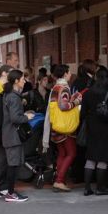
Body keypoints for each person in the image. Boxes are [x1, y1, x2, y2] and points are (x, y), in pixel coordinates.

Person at [0, 69, 33, 202]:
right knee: (13, 165)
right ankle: (11, 193)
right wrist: (27, 117)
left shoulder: (8, 95)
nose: (25, 81)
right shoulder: (13, 97)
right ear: (16, 81)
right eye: (23, 79)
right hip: (13, 136)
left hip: (8, 134)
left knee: (10, 163)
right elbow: (15, 118)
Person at [80, 67, 108, 196]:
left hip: (92, 128)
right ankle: (100, 188)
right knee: (103, 159)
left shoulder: (88, 93)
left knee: (91, 158)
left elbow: (82, 113)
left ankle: (87, 188)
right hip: (107, 128)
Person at [43, 64, 82, 192]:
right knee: (71, 153)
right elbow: (64, 106)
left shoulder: (55, 87)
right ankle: (59, 180)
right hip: (65, 128)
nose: (70, 74)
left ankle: (59, 179)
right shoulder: (64, 88)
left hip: (56, 126)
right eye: (69, 72)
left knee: (62, 153)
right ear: (65, 73)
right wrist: (76, 102)